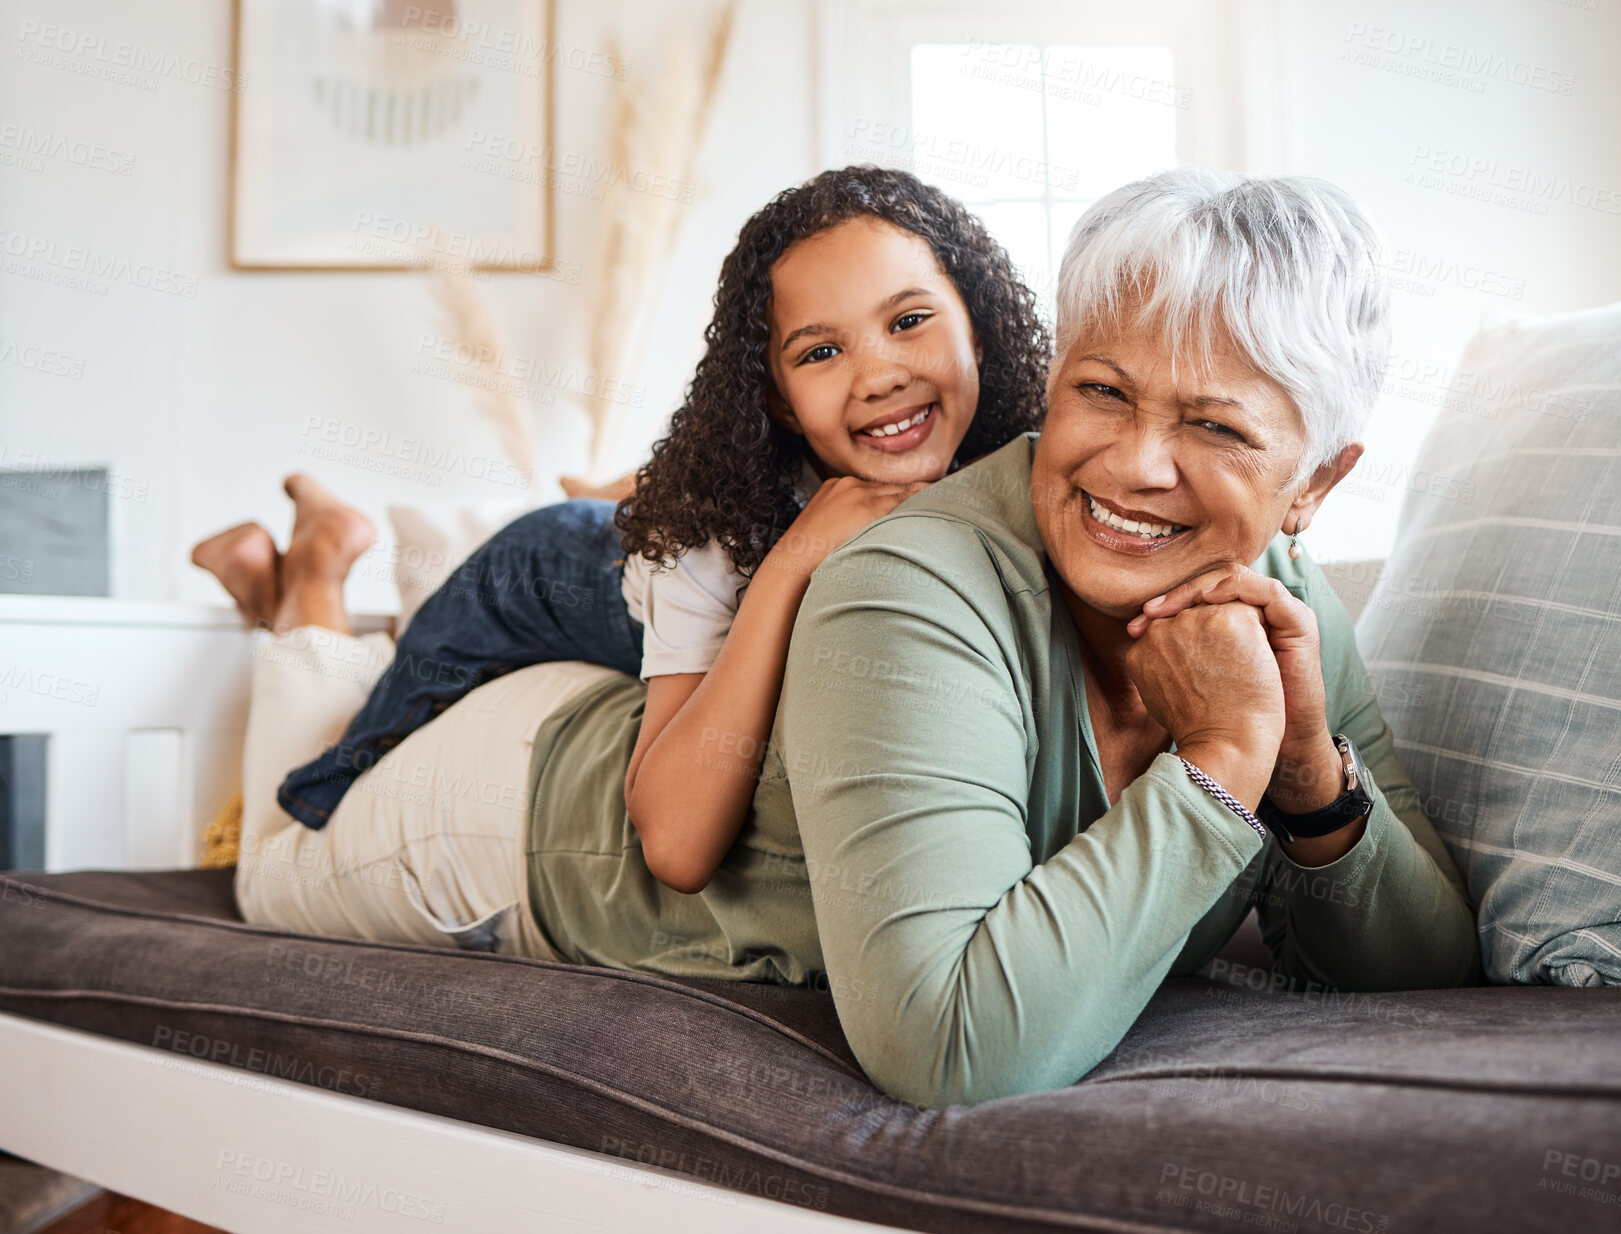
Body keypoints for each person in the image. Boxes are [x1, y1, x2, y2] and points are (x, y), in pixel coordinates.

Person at [214, 167, 1480, 1111]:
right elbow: (948, 1049)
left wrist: (1306, 769)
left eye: (1214, 426)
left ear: (1314, 483)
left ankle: (304, 589)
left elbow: (1427, 975)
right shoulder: (907, 581)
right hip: (514, 818)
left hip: (639, 663)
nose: (1134, 465)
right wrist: (1219, 763)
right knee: (271, 859)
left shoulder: (1283, 602)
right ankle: (308, 592)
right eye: (1100, 392)